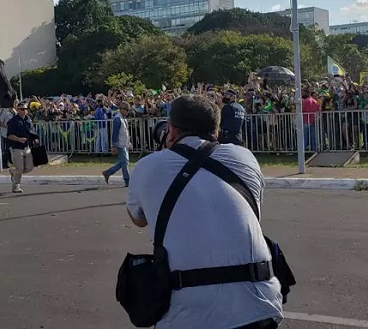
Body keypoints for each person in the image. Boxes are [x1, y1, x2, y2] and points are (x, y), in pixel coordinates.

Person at [126, 94, 283, 329]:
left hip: (188, 314)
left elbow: (138, 219)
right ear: (216, 131)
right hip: (259, 307)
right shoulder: (246, 158)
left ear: (171, 131)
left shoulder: (147, 166)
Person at [7, 102, 37, 193]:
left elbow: (32, 132)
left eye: (26, 109)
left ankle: (13, 171)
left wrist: (35, 139)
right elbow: (9, 135)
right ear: (17, 110)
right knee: (20, 168)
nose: (24, 111)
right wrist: (19, 139)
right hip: (16, 147)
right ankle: (16, 186)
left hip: (27, 147)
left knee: (29, 167)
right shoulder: (13, 121)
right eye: (22, 109)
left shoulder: (28, 120)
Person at [102, 102, 131, 187]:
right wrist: (114, 146)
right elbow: (115, 133)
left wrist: (129, 142)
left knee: (123, 162)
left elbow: (126, 132)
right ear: (122, 109)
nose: (127, 112)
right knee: (125, 162)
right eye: (126, 110)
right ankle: (127, 180)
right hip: (120, 144)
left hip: (124, 143)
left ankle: (107, 172)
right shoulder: (117, 119)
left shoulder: (123, 118)